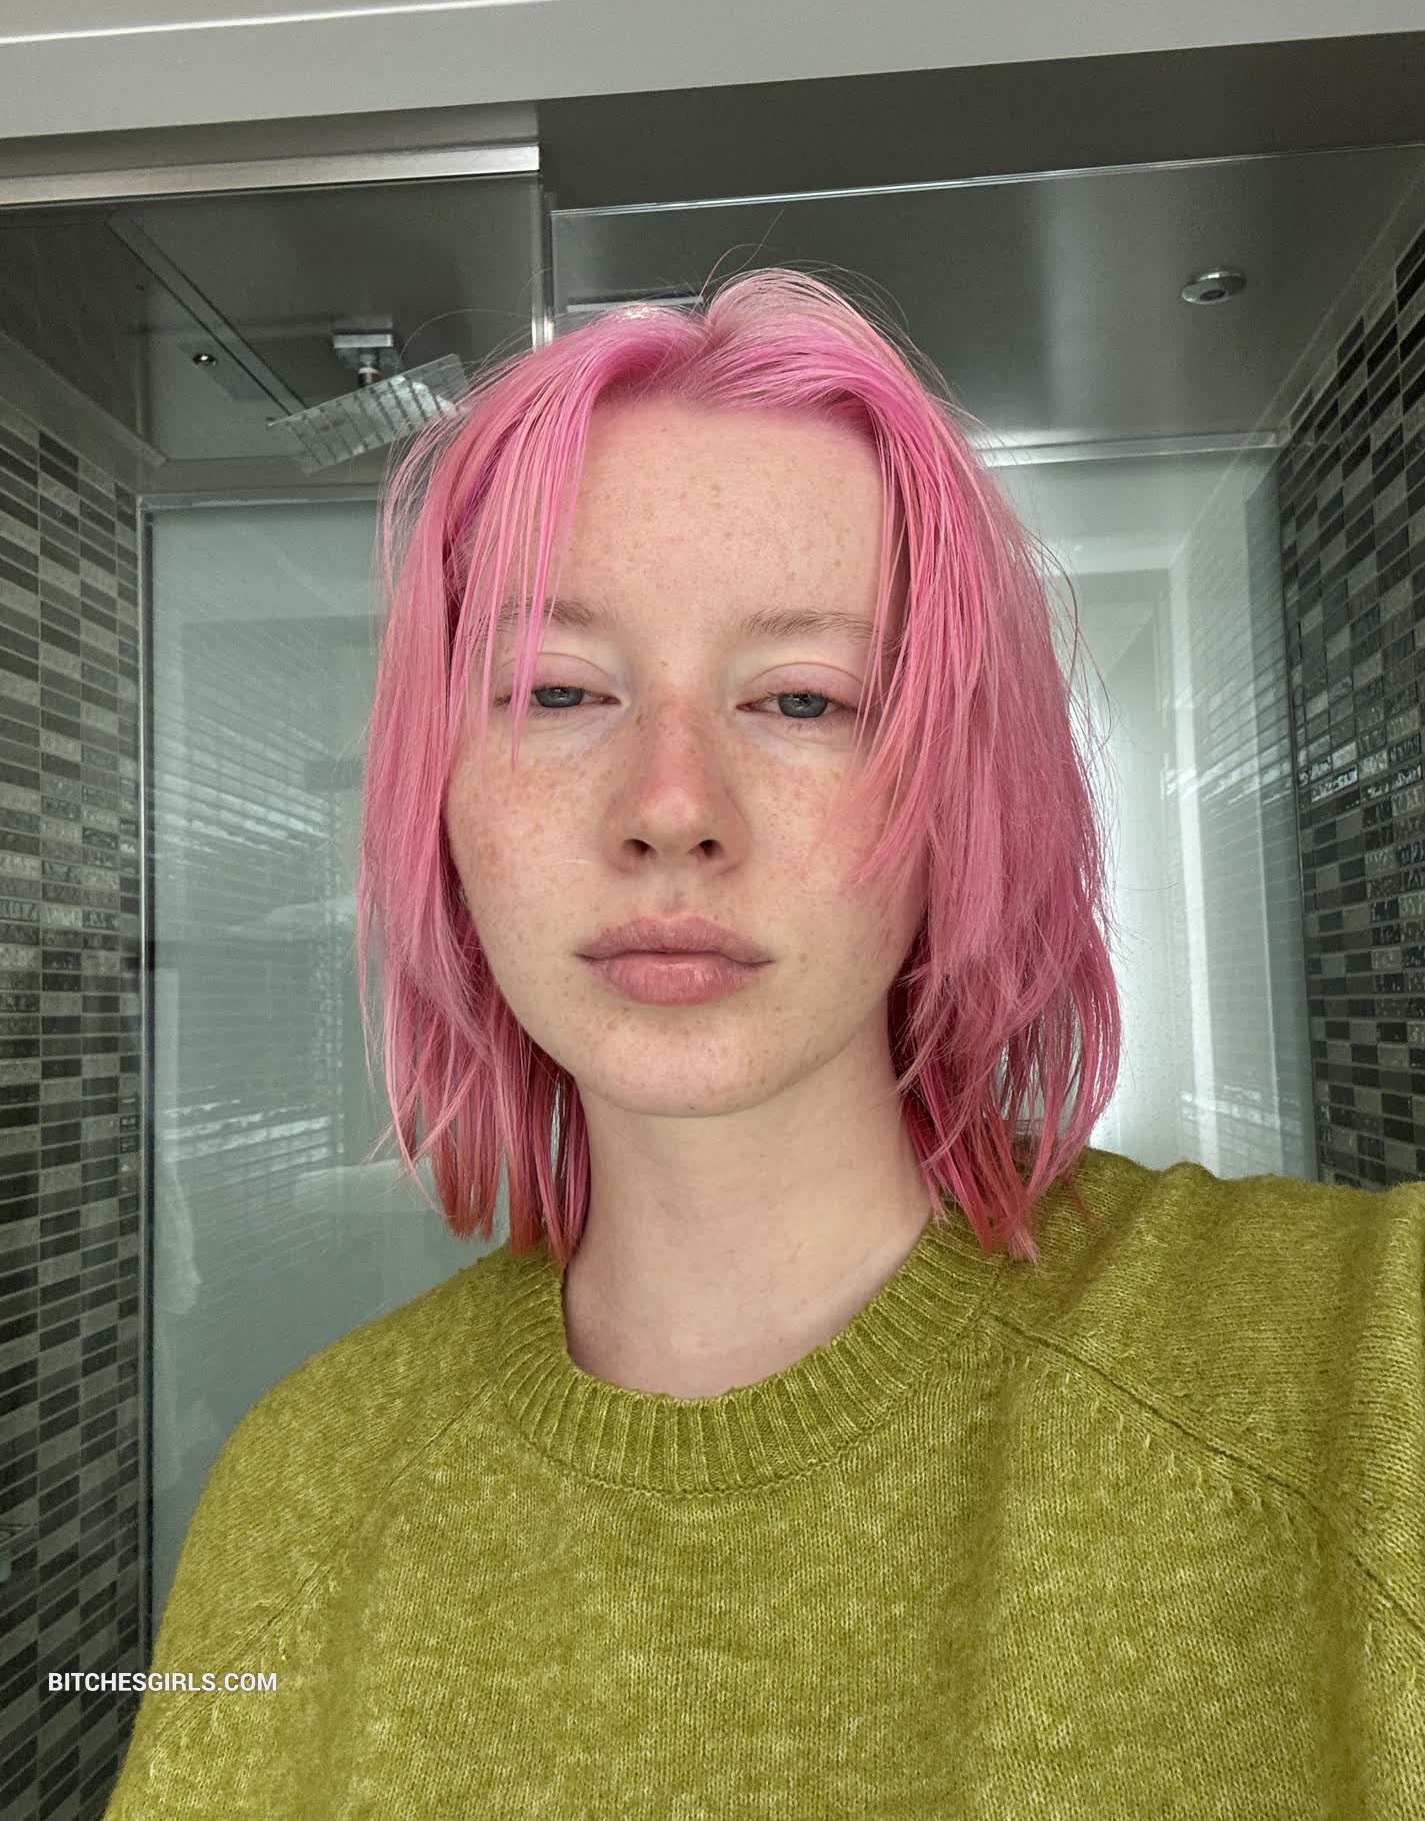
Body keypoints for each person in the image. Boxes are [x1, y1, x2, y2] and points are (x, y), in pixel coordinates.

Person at [103, 269, 1424, 1818]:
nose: (671, 807)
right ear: (436, 801)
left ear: (957, 800)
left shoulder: (1352, 1373)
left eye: (803, 700)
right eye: (556, 689)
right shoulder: (302, 1486)